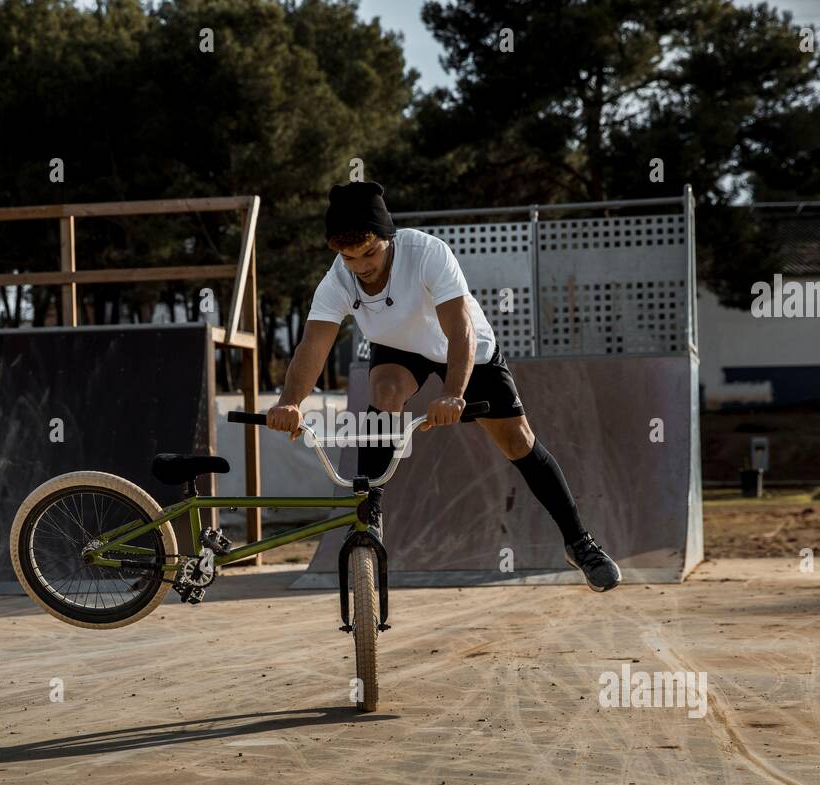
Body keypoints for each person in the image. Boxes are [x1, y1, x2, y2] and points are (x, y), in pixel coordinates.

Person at [266, 181, 620, 591]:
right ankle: (369, 516)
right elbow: (313, 345)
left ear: (389, 240)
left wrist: (454, 391)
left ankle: (580, 542)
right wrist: (289, 401)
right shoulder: (337, 281)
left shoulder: (427, 254)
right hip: (400, 349)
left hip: (464, 348)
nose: (361, 266)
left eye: (370, 253)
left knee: (517, 442)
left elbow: (460, 329)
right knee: (383, 393)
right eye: (349, 257)